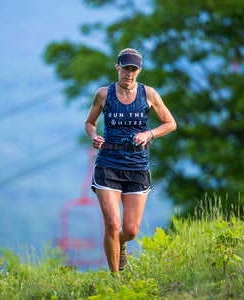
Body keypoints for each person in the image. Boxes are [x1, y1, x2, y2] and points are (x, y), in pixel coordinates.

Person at [84, 48, 176, 273]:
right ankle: (114, 280)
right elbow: (89, 122)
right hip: (108, 165)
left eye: (134, 70)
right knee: (113, 225)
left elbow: (170, 123)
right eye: (126, 68)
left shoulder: (149, 94)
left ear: (139, 71)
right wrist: (93, 136)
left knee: (131, 230)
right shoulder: (104, 94)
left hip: (137, 166)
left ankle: (121, 244)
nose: (129, 74)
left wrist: (149, 134)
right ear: (118, 67)